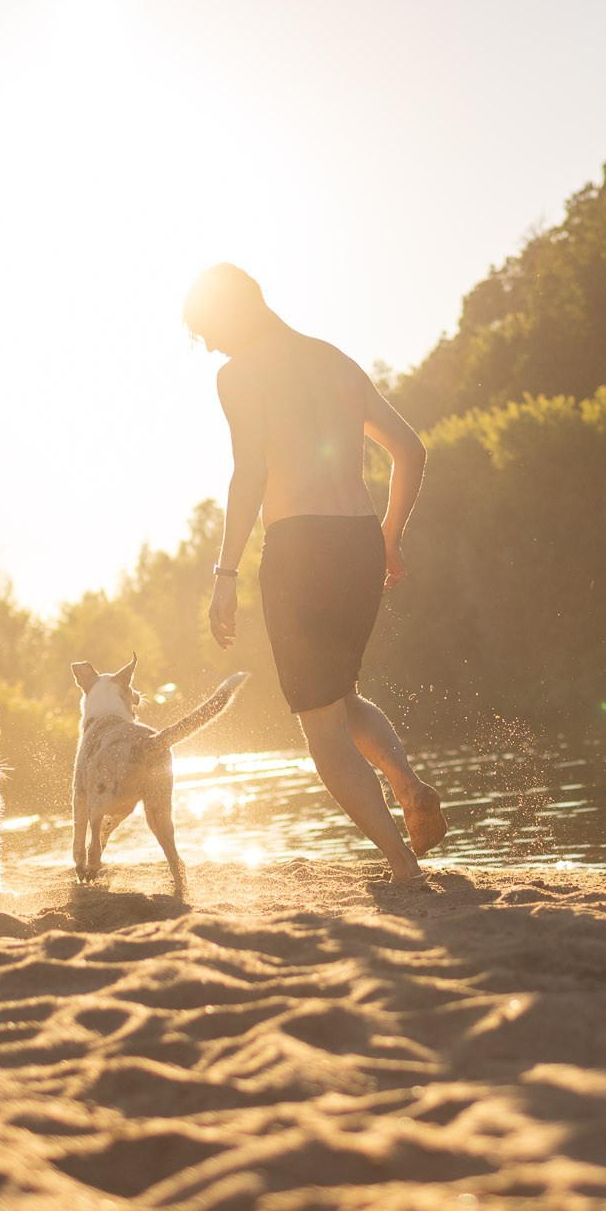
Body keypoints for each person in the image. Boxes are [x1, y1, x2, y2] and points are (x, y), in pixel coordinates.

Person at [184, 263, 445, 882]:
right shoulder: (334, 359)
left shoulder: (239, 374)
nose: (212, 347)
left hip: (300, 549)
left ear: (229, 316)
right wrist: (389, 537)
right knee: (340, 694)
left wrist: (225, 574)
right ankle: (406, 787)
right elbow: (410, 450)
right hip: (358, 542)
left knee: (320, 730)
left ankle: (402, 866)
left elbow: (249, 472)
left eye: (208, 332)